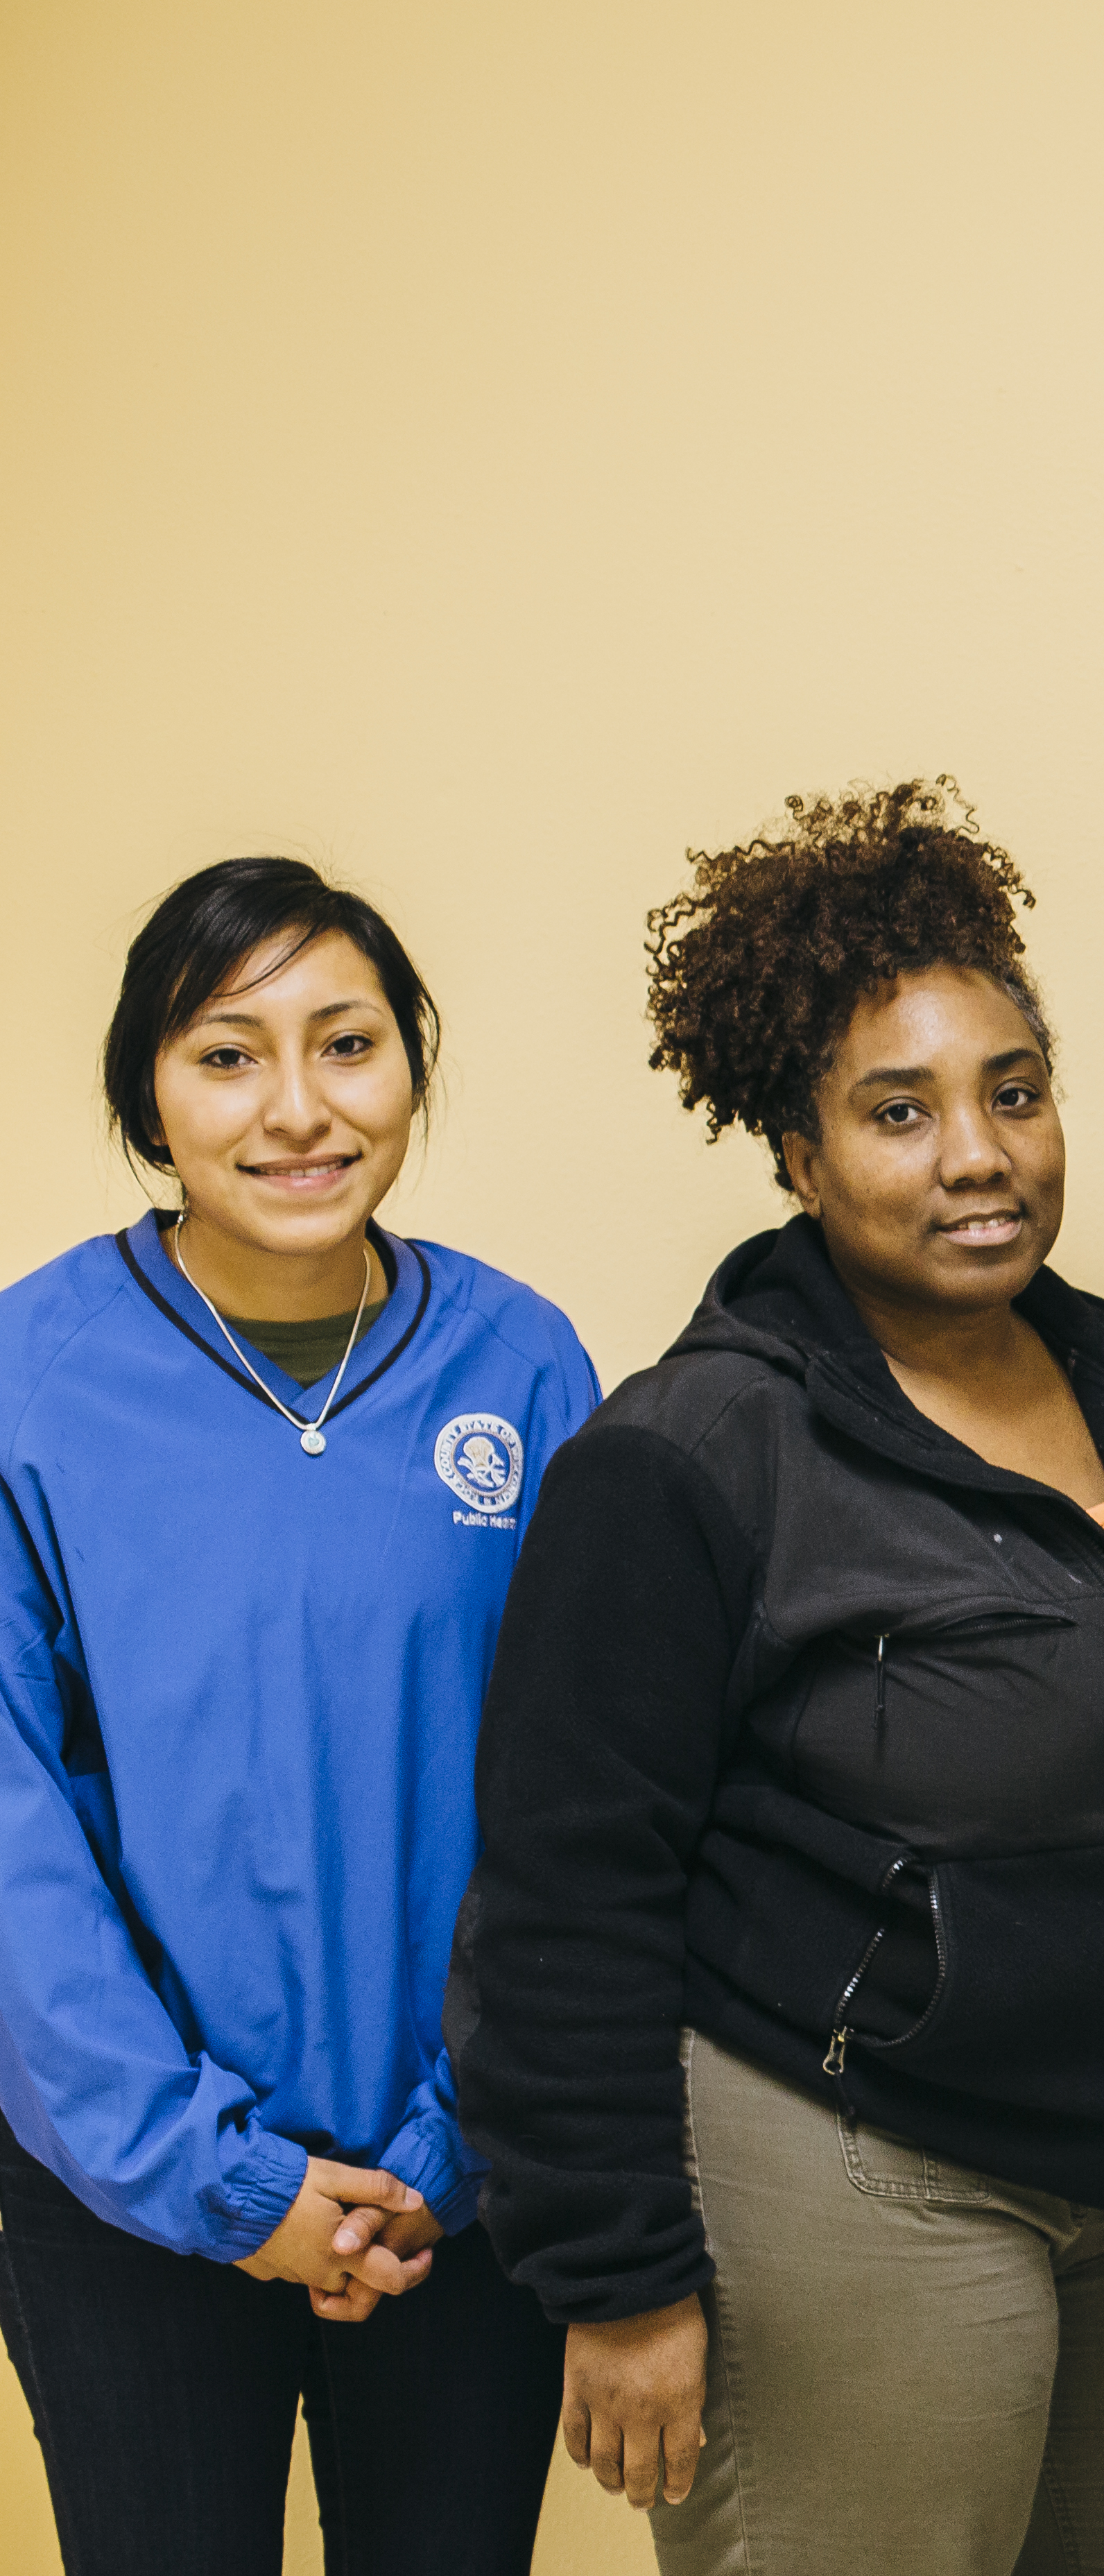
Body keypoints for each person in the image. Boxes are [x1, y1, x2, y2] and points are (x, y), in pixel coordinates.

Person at [454, 780, 1104, 2574]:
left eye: (1014, 1090)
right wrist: (614, 2278)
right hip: (860, 2169)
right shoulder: (693, 1452)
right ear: (798, 1154)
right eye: (898, 1112)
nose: (979, 1154)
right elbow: (563, 1889)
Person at [0, 859, 595, 2574]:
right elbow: (15, 1829)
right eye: (227, 1056)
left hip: (453, 2188)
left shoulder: (524, 1364)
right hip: (130, 2199)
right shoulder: (38, 1379)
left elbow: (580, 1798)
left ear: (412, 1065)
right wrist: (229, 2187)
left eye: (347, 1045)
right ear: (147, 1095)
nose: (297, 1111)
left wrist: (452, 2136)